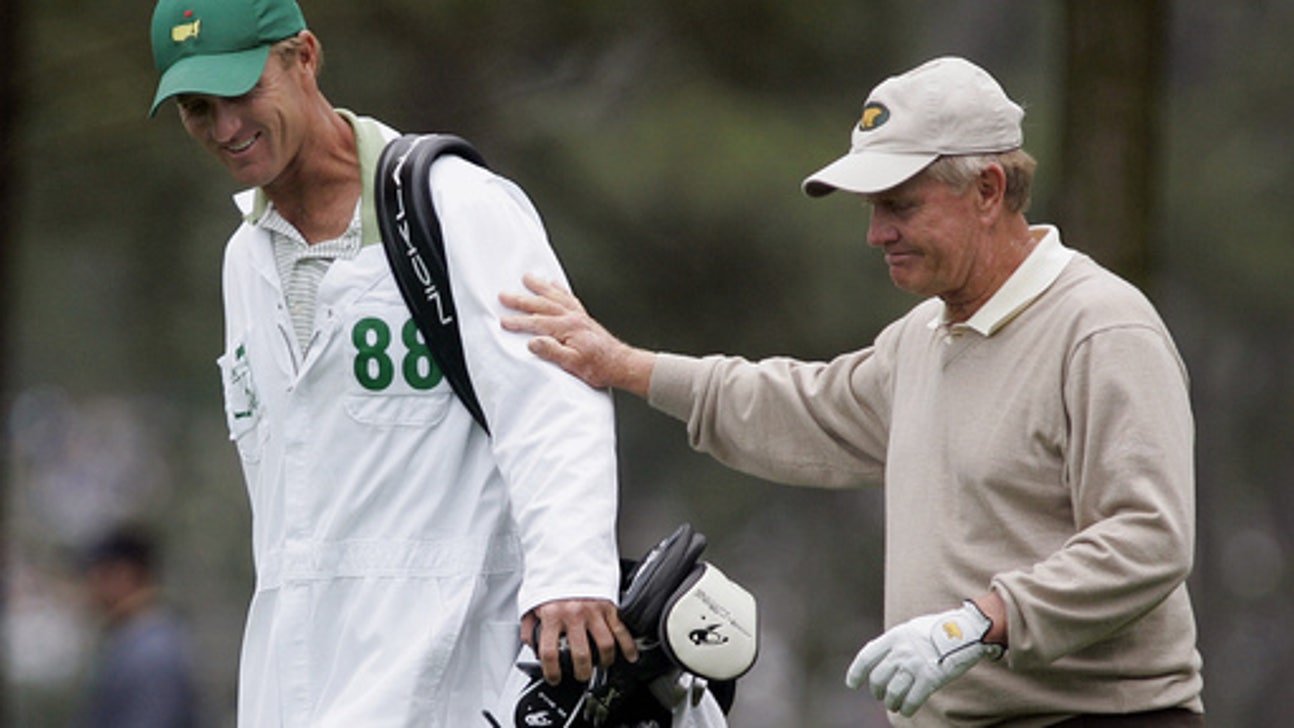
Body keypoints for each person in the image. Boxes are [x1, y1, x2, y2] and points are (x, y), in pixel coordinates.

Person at [501, 56, 1205, 726]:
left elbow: (1146, 539)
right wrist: (626, 366)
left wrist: (981, 624)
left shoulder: (1101, 329)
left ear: (988, 190)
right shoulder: (924, 336)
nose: (876, 233)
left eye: (900, 205)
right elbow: (802, 409)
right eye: (873, 208)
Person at [146, 0, 640, 724]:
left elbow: (551, 400)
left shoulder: (454, 204)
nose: (225, 129)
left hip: (457, 663)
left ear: (304, 57)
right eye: (197, 107)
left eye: (242, 93)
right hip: (296, 676)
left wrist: (571, 574)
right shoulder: (242, 259)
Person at [76, 526, 199, 728]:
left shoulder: (153, 652)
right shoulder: (133, 641)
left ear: (124, 574)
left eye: (98, 576)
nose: (90, 589)